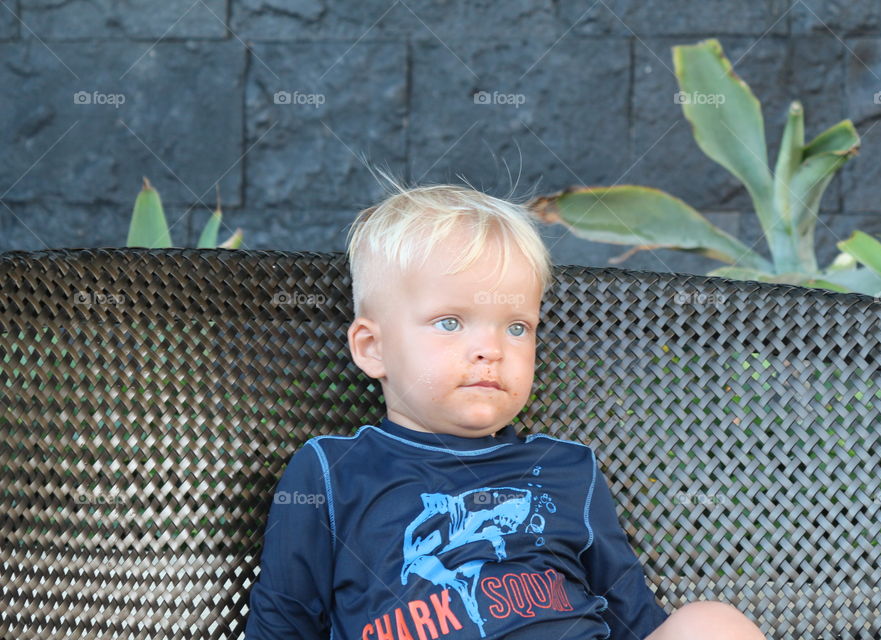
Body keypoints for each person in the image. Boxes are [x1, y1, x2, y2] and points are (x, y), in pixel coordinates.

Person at [244, 171, 767, 640]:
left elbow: (634, 615)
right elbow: (284, 621)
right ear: (372, 348)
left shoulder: (567, 468)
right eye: (450, 322)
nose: (491, 349)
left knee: (711, 621)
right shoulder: (333, 473)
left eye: (517, 327)